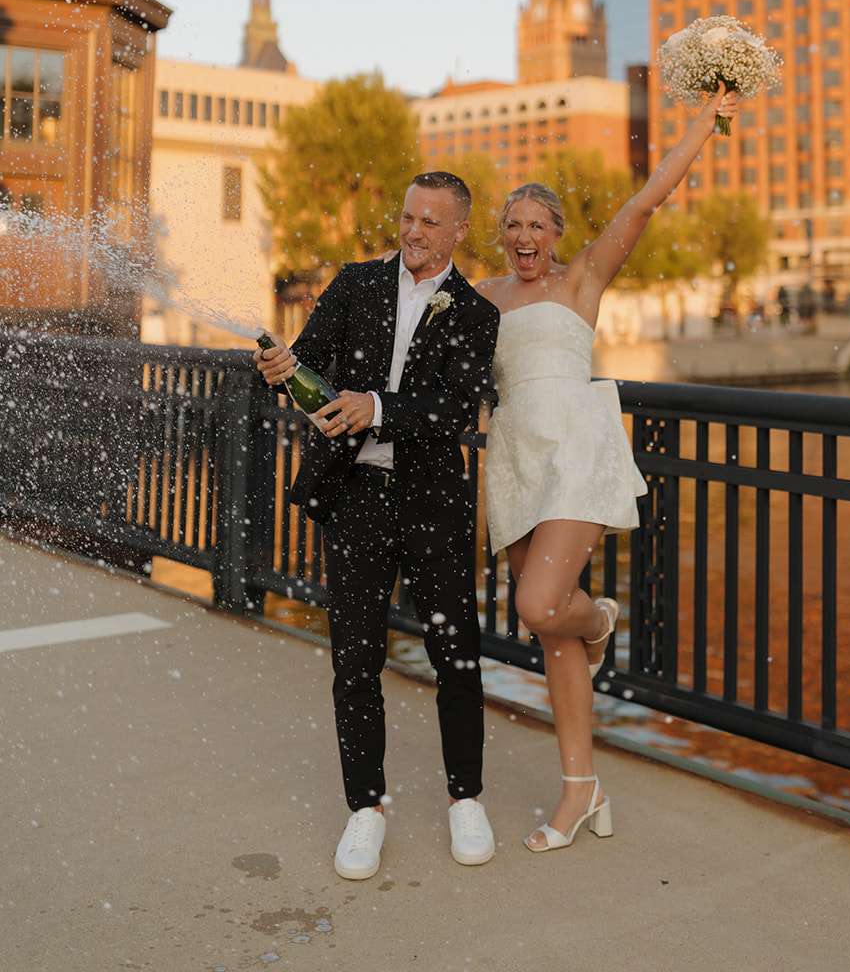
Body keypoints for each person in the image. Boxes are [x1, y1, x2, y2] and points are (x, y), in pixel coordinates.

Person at [475, 84, 737, 853]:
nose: (524, 236)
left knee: (541, 605)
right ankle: (580, 792)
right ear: (500, 236)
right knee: (549, 633)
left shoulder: (582, 277)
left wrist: (703, 119)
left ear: (555, 234)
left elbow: (648, 200)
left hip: (578, 451)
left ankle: (602, 620)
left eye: (536, 225)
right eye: (512, 225)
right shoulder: (479, 295)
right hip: (517, 458)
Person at [254, 171, 500, 882]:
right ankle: (365, 809)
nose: (413, 231)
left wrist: (378, 407)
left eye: (429, 221)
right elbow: (305, 365)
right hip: (355, 496)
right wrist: (278, 368)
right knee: (354, 660)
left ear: (458, 231)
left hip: (432, 502)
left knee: (457, 654)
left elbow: (453, 410)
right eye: (407, 217)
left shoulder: (476, 313)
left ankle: (466, 798)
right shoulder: (356, 283)